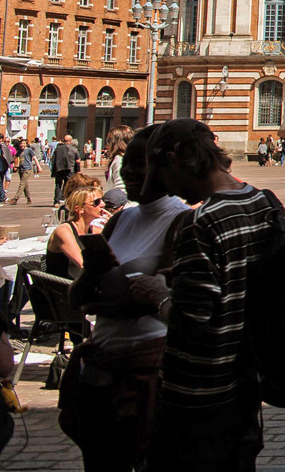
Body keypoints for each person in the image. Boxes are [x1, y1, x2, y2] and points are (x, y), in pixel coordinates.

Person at [140, 117, 278, 471]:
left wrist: (157, 294)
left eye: (161, 172)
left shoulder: (200, 223)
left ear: (177, 160)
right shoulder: (264, 203)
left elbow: (191, 322)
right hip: (245, 387)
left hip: (199, 396)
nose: (165, 187)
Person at [63, 126, 190, 472]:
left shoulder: (180, 220)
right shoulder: (121, 220)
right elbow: (80, 298)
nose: (128, 172)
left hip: (145, 370)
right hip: (100, 365)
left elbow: (163, 297)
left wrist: (111, 291)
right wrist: (96, 278)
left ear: (164, 166)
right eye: (126, 163)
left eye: (140, 163)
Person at [46, 187, 108, 279]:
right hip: (63, 288)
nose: (103, 204)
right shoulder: (64, 232)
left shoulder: (96, 230)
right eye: (96, 202)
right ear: (79, 209)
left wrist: (113, 226)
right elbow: (83, 265)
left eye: (102, 200)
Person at [52, 133, 81, 205]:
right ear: (71, 141)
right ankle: (67, 199)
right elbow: (78, 161)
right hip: (70, 170)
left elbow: (53, 158)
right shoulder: (74, 149)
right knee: (69, 185)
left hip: (60, 169)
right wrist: (78, 171)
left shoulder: (58, 149)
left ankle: (56, 201)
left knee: (58, 185)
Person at [8, 138, 38, 204]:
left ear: (26, 144)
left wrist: (39, 167)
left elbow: (35, 158)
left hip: (27, 169)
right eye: (21, 143)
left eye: (24, 143)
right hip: (21, 169)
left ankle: (15, 199)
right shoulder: (19, 150)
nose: (22, 145)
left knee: (22, 184)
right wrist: (9, 162)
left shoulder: (29, 150)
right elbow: (14, 158)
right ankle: (28, 198)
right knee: (25, 184)